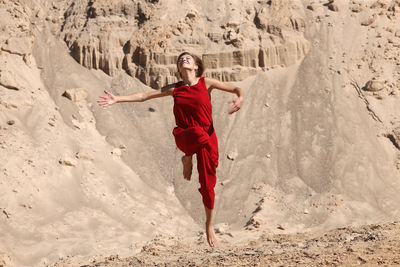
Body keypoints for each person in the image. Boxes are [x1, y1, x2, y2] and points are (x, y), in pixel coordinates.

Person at [97, 52, 244, 247]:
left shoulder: (205, 83)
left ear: (196, 66)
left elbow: (235, 88)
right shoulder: (175, 89)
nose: (184, 59)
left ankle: (208, 224)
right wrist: (118, 99)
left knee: (208, 186)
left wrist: (240, 98)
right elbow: (144, 96)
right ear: (179, 68)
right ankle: (188, 156)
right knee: (198, 135)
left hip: (208, 138)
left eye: (188, 58)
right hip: (185, 136)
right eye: (181, 59)